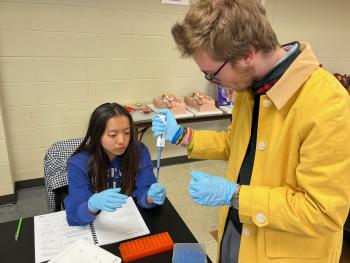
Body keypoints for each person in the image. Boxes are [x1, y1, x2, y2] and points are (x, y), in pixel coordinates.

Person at [152, 0, 350, 262]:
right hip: (239, 228)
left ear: (247, 54)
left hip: (285, 251)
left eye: (212, 74)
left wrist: (234, 195)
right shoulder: (251, 88)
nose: (214, 82)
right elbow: (237, 142)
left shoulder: (327, 102)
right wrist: (182, 135)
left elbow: (322, 212)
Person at [65, 103, 166, 226]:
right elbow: (74, 215)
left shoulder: (138, 151)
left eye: (127, 132)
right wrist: (92, 206)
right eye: (113, 135)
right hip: (97, 224)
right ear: (97, 135)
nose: (122, 141)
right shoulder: (78, 163)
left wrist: (150, 198)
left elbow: (145, 189)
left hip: (129, 220)